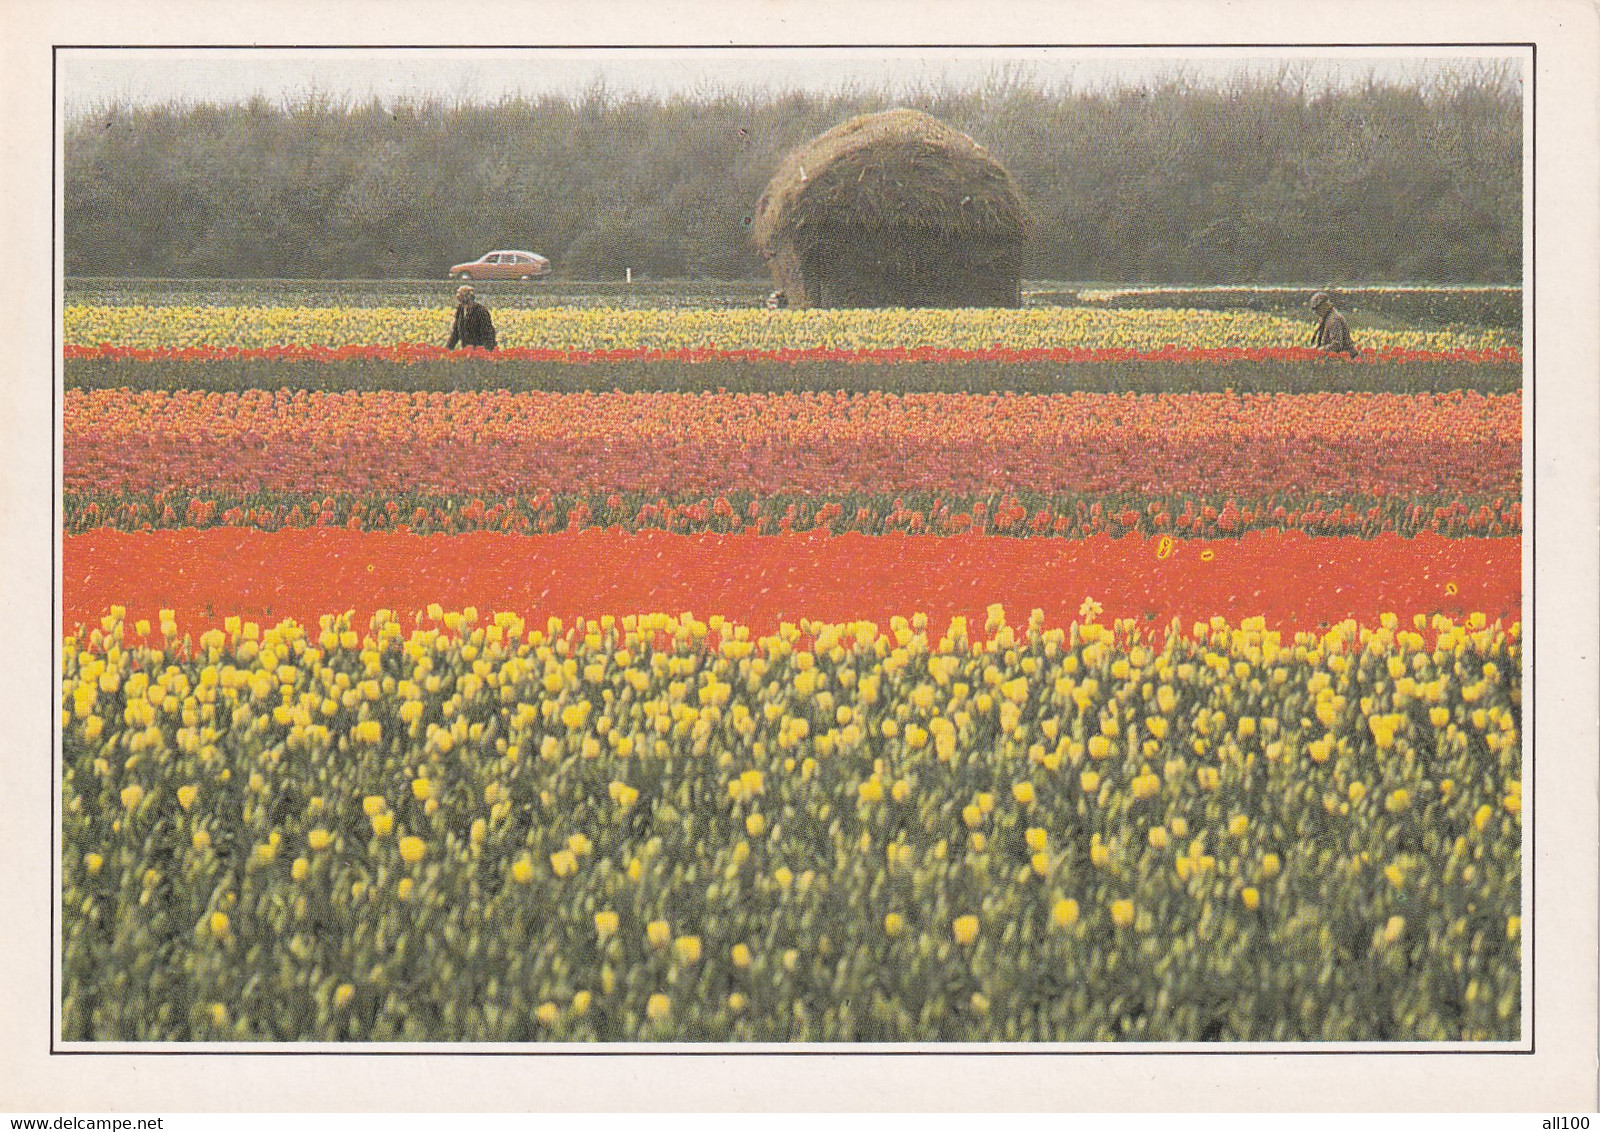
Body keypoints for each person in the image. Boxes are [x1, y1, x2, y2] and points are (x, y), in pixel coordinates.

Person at [447, 285, 497, 350]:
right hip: (467, 350)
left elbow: (488, 334)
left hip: (480, 350)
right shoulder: (460, 310)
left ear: (469, 297)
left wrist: (486, 353)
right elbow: (455, 333)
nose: (458, 297)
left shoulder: (480, 311)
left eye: (461, 295)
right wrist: (447, 349)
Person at [1308, 291, 1358, 357]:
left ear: (1325, 305)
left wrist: (1320, 350)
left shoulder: (1333, 320)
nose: (1316, 313)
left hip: (1346, 357)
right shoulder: (1327, 317)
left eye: (1317, 309)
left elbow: (1337, 345)